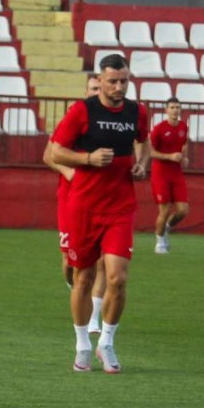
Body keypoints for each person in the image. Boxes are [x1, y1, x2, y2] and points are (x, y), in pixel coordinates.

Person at [49, 53, 150, 374]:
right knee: (83, 278)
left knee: (118, 278)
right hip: (84, 206)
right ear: (100, 80)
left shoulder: (137, 112)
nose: (119, 87)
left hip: (120, 206)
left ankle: (106, 342)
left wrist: (142, 162)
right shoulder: (83, 111)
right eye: (113, 81)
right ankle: (82, 345)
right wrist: (88, 159)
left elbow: (143, 143)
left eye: (124, 81)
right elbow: (54, 151)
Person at [43, 73, 107, 333]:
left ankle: (93, 319)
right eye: (92, 88)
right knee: (72, 264)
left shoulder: (111, 122)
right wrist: (71, 173)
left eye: (98, 88)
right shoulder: (75, 117)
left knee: (103, 260)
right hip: (71, 198)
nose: (95, 92)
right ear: (86, 91)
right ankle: (75, 289)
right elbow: (49, 154)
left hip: (103, 200)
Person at [149, 96, 189, 253]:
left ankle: (166, 228)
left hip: (176, 173)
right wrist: (170, 156)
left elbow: (185, 143)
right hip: (161, 173)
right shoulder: (159, 129)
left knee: (183, 210)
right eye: (172, 107)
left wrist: (184, 157)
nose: (175, 110)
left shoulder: (183, 127)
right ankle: (159, 241)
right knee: (164, 211)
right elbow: (150, 152)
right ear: (166, 110)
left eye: (177, 107)